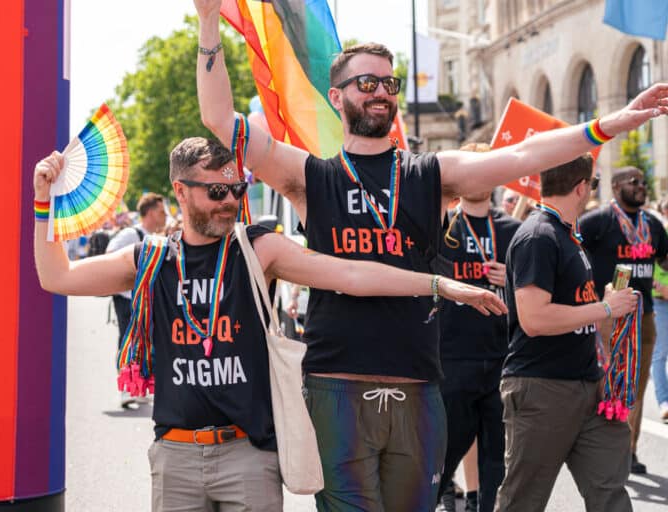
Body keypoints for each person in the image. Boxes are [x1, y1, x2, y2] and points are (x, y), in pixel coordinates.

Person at [194, 2, 667, 507]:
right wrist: (207, 23)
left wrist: (608, 125)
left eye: (388, 84)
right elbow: (219, 119)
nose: (380, 92)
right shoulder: (310, 177)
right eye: (366, 83)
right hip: (336, 384)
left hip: (419, 383)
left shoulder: (431, 174)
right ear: (336, 97)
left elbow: (522, 156)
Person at [33, 137, 505, 511]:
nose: (230, 201)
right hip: (175, 456)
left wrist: (441, 285)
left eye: (236, 189)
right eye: (217, 191)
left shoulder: (259, 250)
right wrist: (42, 204)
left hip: (248, 455)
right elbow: (56, 277)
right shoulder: (151, 258)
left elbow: (351, 273)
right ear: (180, 190)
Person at [495, 154, 638, 512]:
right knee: (522, 501)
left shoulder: (566, 236)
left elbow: (578, 315)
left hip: (587, 386)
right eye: (591, 184)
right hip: (542, 390)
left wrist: (606, 305)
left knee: (611, 493)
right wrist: (606, 308)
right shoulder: (539, 236)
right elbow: (534, 319)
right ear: (580, 188)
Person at [437, 143, 521, 512]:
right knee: (445, 450)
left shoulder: (516, 231)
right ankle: (440, 496)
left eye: (485, 169)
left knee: (496, 461)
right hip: (452, 357)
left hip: (503, 359)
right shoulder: (441, 227)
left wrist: (512, 279)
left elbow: (535, 293)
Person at [579, 166, 668, 474]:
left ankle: (627, 451)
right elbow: (570, 251)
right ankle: (597, 449)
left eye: (644, 182)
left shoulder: (653, 225)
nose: (642, 186)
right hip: (606, 315)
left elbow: (665, 259)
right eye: (635, 182)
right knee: (604, 384)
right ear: (616, 187)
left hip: (643, 318)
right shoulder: (597, 222)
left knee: (636, 386)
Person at [107, 192, 168, 407]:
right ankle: (125, 389)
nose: (165, 216)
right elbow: (110, 255)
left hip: (142, 300)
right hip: (126, 298)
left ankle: (138, 386)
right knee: (127, 340)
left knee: (142, 342)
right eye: (161, 212)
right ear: (150, 213)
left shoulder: (151, 237)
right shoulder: (131, 234)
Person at [652, 197, 668, 424]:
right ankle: (664, 402)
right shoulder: (660, 232)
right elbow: (648, 264)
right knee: (660, 352)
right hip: (662, 301)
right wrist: (661, 287)